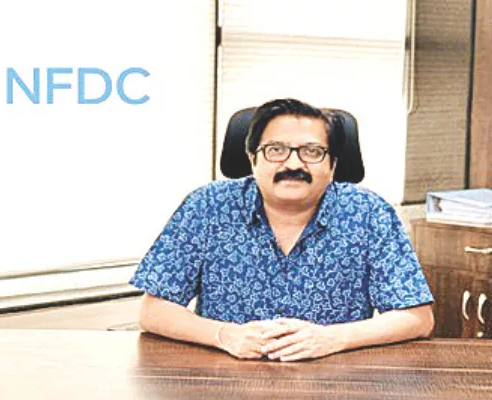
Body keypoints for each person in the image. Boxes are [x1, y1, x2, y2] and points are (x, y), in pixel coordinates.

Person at [130, 98, 434, 362]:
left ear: (332, 165)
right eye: (275, 150)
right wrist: (223, 334)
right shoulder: (207, 206)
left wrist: (333, 339)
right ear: (253, 159)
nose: (293, 163)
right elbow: (154, 310)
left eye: (312, 151)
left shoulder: (368, 212)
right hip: (224, 375)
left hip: (335, 378)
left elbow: (417, 318)